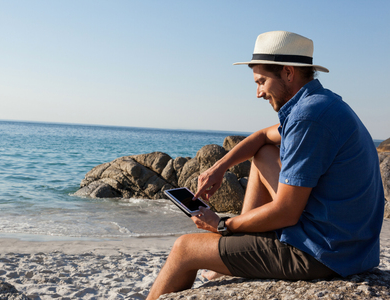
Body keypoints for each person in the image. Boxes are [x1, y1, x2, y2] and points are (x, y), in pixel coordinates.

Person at [146, 31, 385, 300]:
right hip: (351, 246)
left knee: (184, 249)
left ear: (288, 73)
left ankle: (229, 242)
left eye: (261, 81)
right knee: (263, 154)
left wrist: (223, 225)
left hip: (323, 253)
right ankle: (235, 246)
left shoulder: (308, 118)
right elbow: (261, 137)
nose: (258, 92)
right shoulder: (321, 103)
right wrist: (220, 167)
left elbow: (286, 213)